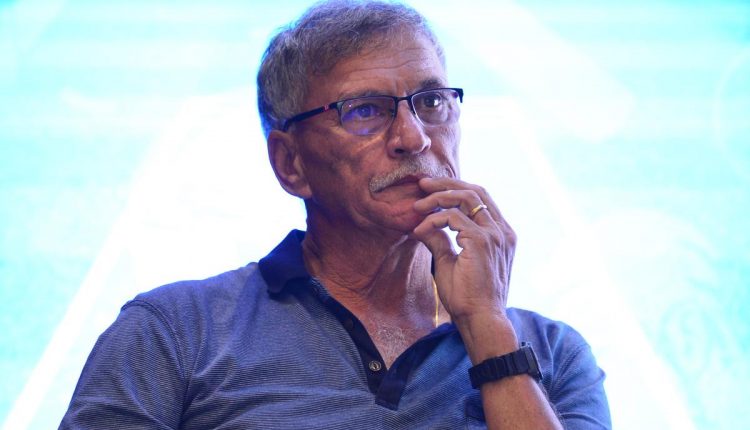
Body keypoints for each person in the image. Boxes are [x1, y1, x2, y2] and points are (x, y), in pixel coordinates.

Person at [60, 1, 611, 429]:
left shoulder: (552, 354)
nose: (413, 137)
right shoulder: (174, 331)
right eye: (365, 110)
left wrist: (488, 330)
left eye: (431, 102)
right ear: (291, 163)